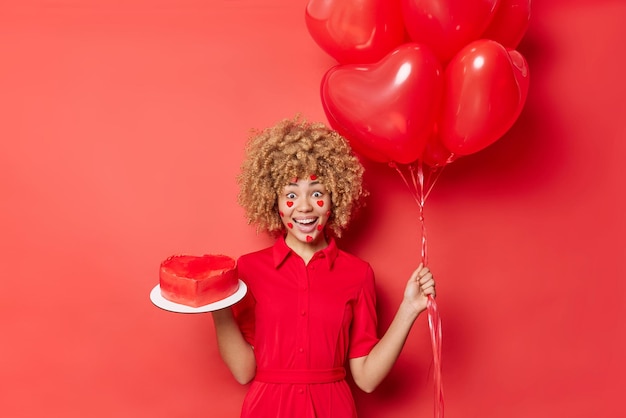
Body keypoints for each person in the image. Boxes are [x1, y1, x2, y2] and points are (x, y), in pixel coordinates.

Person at [211, 116, 436, 417]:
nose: (304, 206)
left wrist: (409, 309)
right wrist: (217, 303)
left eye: (317, 193)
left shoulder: (358, 274)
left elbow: (367, 379)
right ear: (273, 202)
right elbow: (243, 371)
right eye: (291, 195)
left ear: (335, 198)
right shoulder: (250, 270)